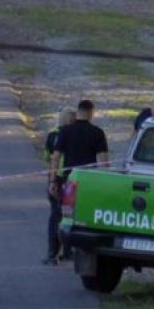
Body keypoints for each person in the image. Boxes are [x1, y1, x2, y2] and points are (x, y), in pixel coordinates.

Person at [48, 100, 109, 259]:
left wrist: (53, 181)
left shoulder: (66, 131)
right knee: (86, 216)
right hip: (89, 182)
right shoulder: (98, 133)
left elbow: (55, 157)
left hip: (70, 181)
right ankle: (81, 251)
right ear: (91, 113)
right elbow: (103, 162)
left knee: (63, 215)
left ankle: (54, 252)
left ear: (79, 111)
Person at [43, 109, 76, 265]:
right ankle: (68, 251)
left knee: (55, 216)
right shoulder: (72, 134)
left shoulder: (51, 135)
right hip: (67, 180)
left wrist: (51, 180)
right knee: (69, 216)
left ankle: (52, 252)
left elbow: (47, 157)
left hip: (54, 179)